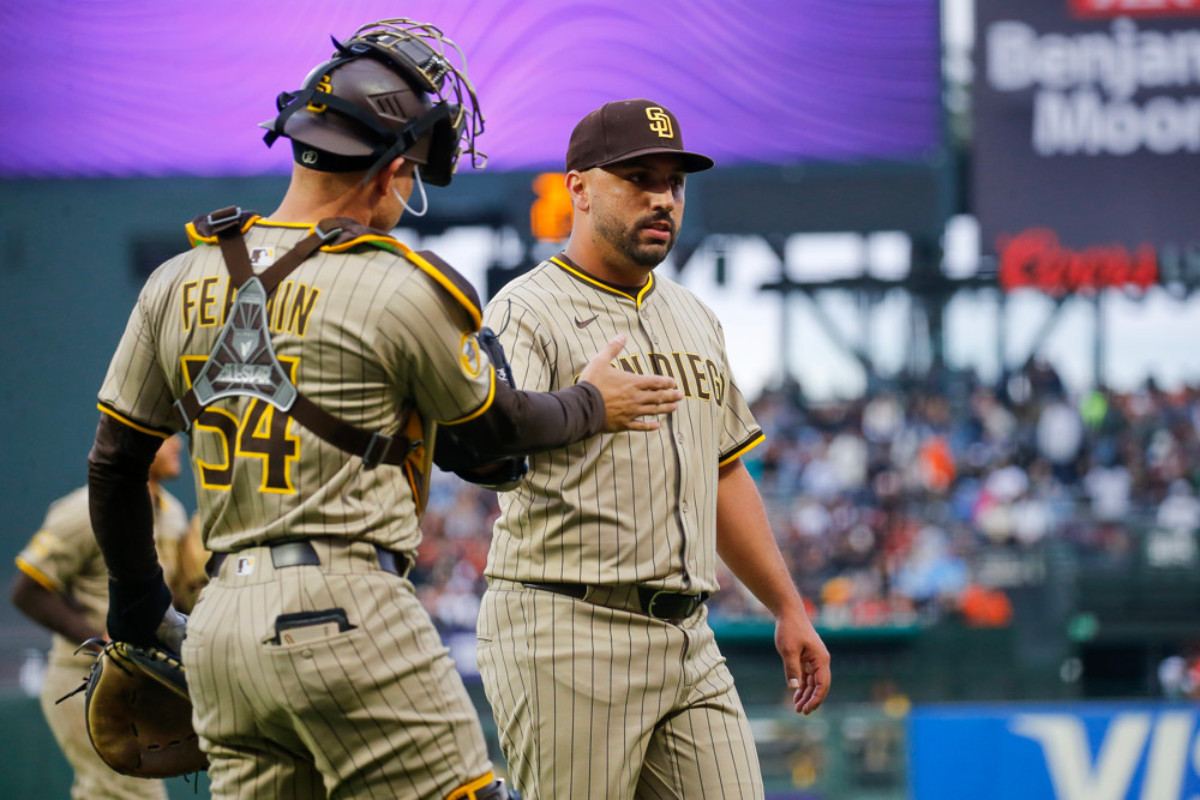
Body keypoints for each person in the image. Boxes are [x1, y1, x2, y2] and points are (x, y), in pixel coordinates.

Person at [85, 20, 679, 800]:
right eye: (410, 175)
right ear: (390, 170)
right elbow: (491, 444)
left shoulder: (178, 278)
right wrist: (590, 404)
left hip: (221, 628)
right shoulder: (398, 282)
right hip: (345, 609)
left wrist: (139, 608)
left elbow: (114, 465)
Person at [475, 99, 832, 798]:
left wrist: (787, 606)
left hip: (687, 637)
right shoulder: (524, 310)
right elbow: (488, 447)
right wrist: (585, 407)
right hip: (566, 626)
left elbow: (724, 473)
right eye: (638, 177)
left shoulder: (693, 316)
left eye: (674, 181)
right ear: (577, 187)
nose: (661, 197)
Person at [12, 435, 192, 800]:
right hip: (80, 681)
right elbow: (27, 591)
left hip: (137, 682)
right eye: (166, 435)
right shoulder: (87, 508)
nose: (179, 444)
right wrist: (98, 640)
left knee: (104, 794)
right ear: (136, 441)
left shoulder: (172, 511)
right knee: (132, 795)